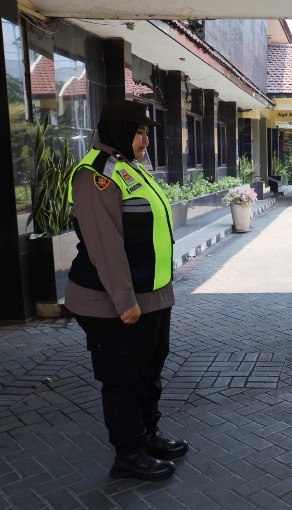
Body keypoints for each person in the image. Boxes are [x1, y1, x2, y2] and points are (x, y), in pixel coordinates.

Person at [65, 99, 188, 481]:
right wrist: (125, 301)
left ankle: (148, 435)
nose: (145, 140)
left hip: (151, 295)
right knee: (123, 378)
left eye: (146, 132)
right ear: (118, 130)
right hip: (115, 302)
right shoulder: (96, 174)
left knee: (150, 370)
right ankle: (128, 454)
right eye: (139, 132)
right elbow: (105, 245)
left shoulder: (129, 168)